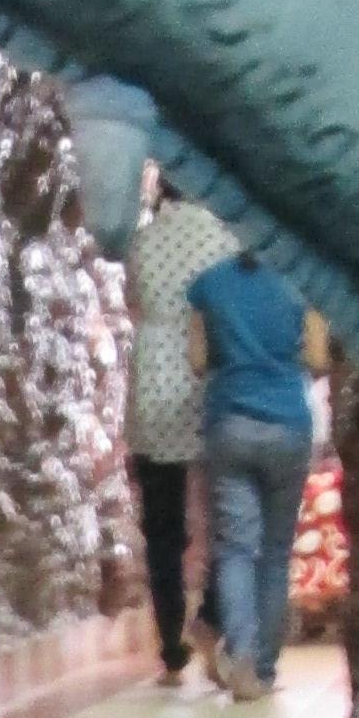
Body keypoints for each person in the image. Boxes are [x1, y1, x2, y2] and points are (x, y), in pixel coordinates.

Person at [186, 232, 327, 700]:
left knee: (235, 549)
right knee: (275, 552)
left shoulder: (209, 284)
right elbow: (318, 357)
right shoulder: (303, 281)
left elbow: (197, 361)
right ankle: (265, 670)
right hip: (288, 425)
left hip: (229, 424)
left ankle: (241, 657)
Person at [121, 170, 234, 681]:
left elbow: (134, 302)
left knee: (162, 526)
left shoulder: (142, 242)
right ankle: (211, 614)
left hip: (152, 379)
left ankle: (169, 641)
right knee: (226, 514)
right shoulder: (222, 237)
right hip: (204, 377)